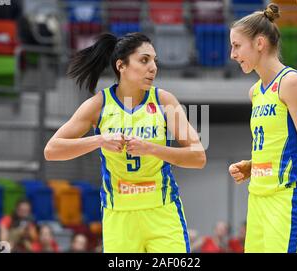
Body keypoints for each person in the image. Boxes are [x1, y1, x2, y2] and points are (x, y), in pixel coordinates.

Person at [45, 32, 206, 253]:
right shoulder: (99, 105)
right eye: (144, 60)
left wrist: (151, 148)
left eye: (154, 61)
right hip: (118, 217)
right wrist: (99, 139)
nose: (153, 67)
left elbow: (198, 157)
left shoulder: (164, 101)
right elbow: (52, 150)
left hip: (162, 212)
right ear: (121, 66)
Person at [228, 3, 297, 253]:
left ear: (259, 43)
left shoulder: (291, 83)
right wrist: (253, 165)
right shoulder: (255, 92)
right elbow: (280, 142)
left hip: (288, 199)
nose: (232, 54)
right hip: (258, 198)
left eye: (237, 46)